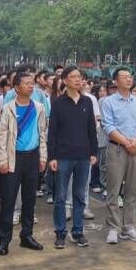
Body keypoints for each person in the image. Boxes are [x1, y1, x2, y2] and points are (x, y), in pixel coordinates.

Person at [47, 65, 97, 249]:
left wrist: (93, 152)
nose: (78, 80)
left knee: (80, 196)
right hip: (63, 156)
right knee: (60, 197)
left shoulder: (87, 102)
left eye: (80, 77)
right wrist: (52, 156)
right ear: (65, 80)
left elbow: (91, 129)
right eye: (74, 77)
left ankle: (78, 232)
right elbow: (53, 132)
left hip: (83, 156)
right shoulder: (58, 103)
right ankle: (60, 232)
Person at [100, 67, 136, 244]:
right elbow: (108, 127)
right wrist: (127, 143)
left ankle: (129, 227)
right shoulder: (108, 102)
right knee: (113, 190)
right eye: (124, 77)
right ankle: (113, 227)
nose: (129, 79)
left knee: (132, 190)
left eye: (130, 77)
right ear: (115, 81)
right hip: (117, 149)